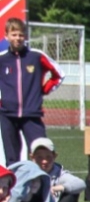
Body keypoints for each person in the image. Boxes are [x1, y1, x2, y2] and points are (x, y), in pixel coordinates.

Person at [0, 18, 63, 167]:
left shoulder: (36, 56)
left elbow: (59, 74)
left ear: (25, 37)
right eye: (14, 34)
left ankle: (44, 187)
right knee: (11, 158)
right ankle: (13, 188)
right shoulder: (2, 59)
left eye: (21, 35)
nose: (18, 38)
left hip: (32, 114)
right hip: (7, 114)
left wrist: (42, 90)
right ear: (6, 36)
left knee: (42, 154)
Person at [28, 136, 85, 202]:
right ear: (32, 157)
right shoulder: (26, 174)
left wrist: (59, 188)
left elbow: (81, 184)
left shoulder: (59, 173)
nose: (44, 161)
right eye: (39, 157)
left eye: (48, 157)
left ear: (55, 156)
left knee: (71, 192)